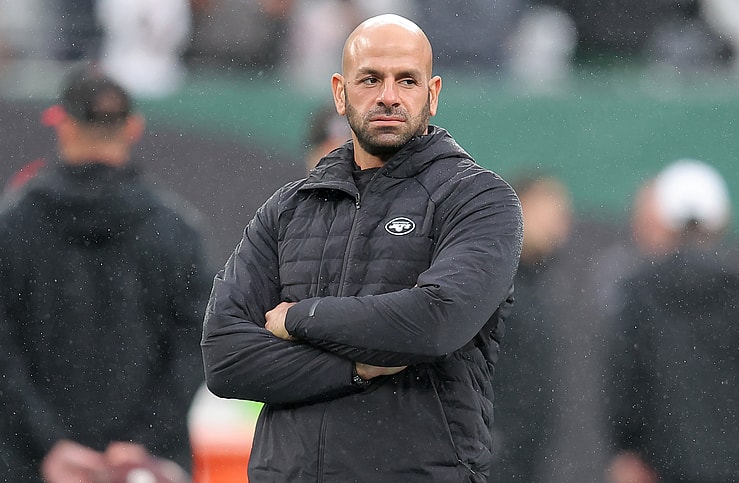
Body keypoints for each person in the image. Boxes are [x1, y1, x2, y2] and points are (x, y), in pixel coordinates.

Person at [201, 13, 523, 483]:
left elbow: (436, 322)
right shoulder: (289, 208)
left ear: (432, 94)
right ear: (339, 92)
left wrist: (299, 318)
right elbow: (225, 358)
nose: (388, 96)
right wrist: (358, 366)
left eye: (406, 80)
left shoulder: (478, 197)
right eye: (370, 79)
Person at [0, 66, 212, 482]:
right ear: (132, 127)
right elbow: (199, 344)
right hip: (142, 469)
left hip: (31, 465)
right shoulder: (176, 227)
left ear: (62, 125)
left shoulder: (12, 224)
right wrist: (140, 441)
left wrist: (50, 444)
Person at [604, 159, 739, 483]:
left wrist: (629, 451)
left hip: (663, 466)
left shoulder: (639, 296)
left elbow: (625, 384)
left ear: (663, 218)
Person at [491, 175, 574, 481]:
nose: (559, 227)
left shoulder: (540, 287)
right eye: (550, 214)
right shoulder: (488, 279)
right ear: (518, 207)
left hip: (525, 454)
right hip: (489, 453)